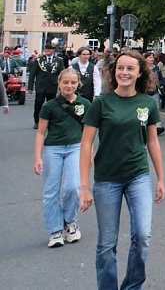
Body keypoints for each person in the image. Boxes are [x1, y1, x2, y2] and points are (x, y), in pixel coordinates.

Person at [80, 51, 165, 290]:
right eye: (120, 68)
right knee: (107, 244)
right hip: (107, 179)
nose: (124, 73)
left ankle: (132, 286)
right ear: (113, 71)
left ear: (140, 73)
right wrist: (84, 186)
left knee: (142, 236)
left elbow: (152, 142)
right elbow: (86, 143)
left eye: (130, 69)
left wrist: (160, 178)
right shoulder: (101, 103)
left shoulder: (147, 103)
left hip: (138, 176)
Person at [34, 68, 90, 248]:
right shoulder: (49, 106)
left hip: (76, 148)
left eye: (73, 82)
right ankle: (55, 230)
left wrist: (89, 155)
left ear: (78, 84)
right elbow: (41, 133)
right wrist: (37, 157)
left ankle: (70, 222)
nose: (69, 86)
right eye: (65, 82)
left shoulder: (85, 104)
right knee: (51, 190)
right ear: (59, 83)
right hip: (53, 149)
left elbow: (88, 133)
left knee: (73, 186)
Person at [28, 42, 64, 129]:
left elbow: (61, 74)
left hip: (52, 86)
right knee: (38, 103)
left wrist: (62, 86)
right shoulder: (38, 60)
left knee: (52, 104)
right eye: (46, 49)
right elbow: (32, 74)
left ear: (53, 50)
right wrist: (30, 87)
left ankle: (51, 121)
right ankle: (37, 121)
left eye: (49, 49)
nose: (47, 50)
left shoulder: (58, 60)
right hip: (40, 85)